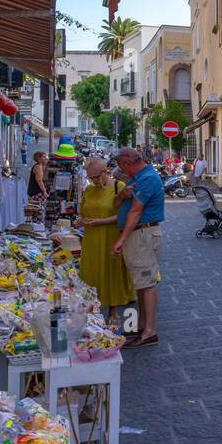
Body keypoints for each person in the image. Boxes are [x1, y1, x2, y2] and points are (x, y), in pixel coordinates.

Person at [111, 148, 165, 348]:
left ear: (127, 162)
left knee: (147, 282)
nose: (120, 170)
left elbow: (135, 212)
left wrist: (120, 240)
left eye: (120, 166)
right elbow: (118, 205)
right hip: (138, 235)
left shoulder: (148, 178)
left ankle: (149, 331)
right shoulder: (136, 177)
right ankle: (141, 324)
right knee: (141, 283)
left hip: (143, 234)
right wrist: (123, 195)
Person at [74, 157, 135, 331]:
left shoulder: (118, 188)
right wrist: (80, 221)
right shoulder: (89, 190)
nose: (92, 181)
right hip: (91, 239)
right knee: (92, 272)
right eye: (90, 177)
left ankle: (113, 312)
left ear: (104, 172)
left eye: (94, 177)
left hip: (110, 236)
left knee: (111, 272)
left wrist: (100, 221)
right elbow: (83, 212)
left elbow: (124, 215)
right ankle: (94, 309)